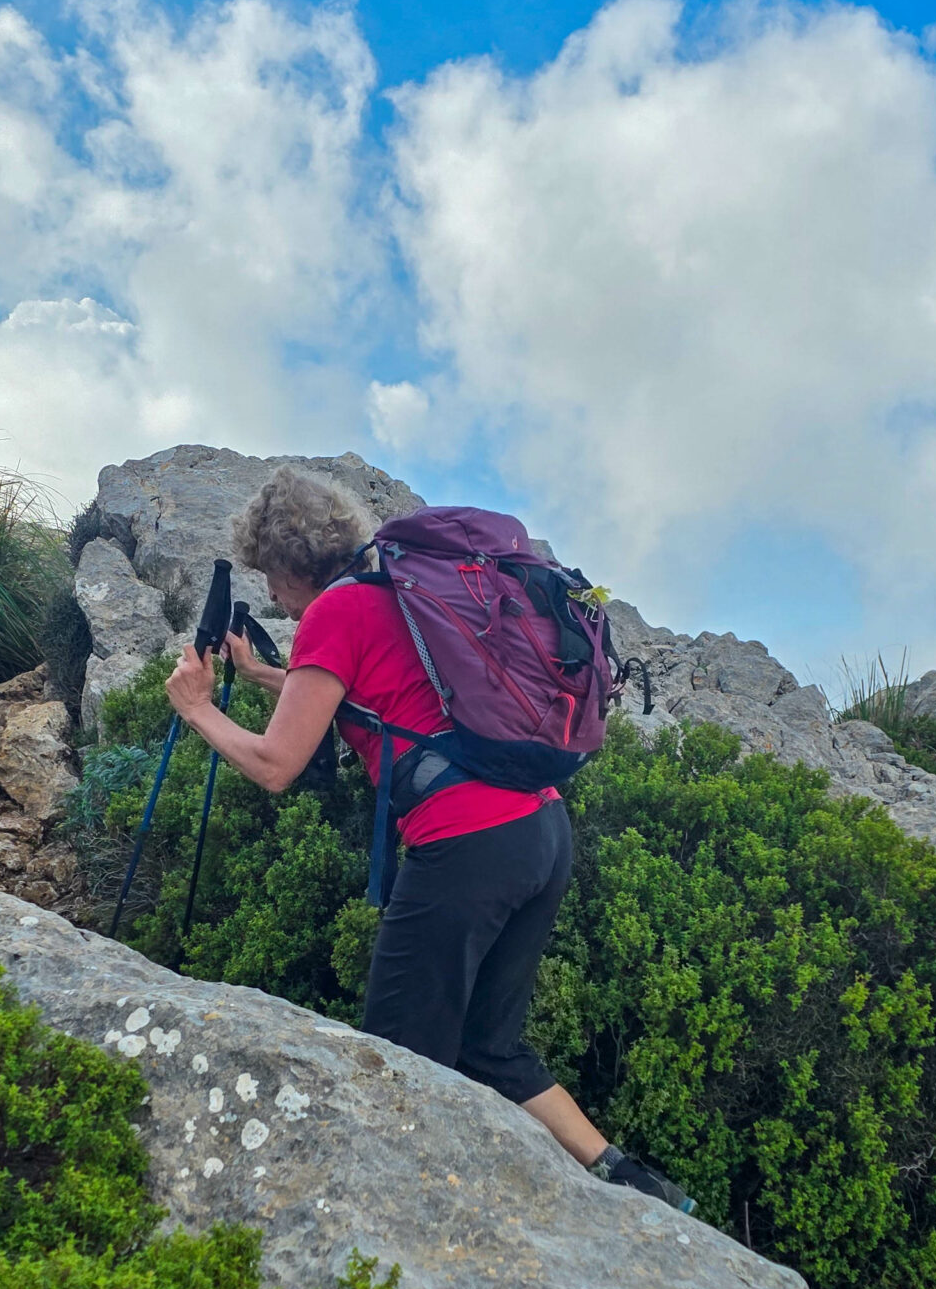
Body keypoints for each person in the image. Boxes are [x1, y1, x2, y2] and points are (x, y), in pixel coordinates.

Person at [162, 466, 693, 1212]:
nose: (274, 598)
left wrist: (197, 708)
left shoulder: (334, 611)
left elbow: (277, 765)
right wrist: (260, 676)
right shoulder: (398, 594)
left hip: (468, 845)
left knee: (398, 1061)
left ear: (291, 563)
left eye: (272, 579)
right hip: (541, 833)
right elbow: (365, 693)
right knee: (489, 1047)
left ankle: (411, 1225)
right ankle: (632, 1183)